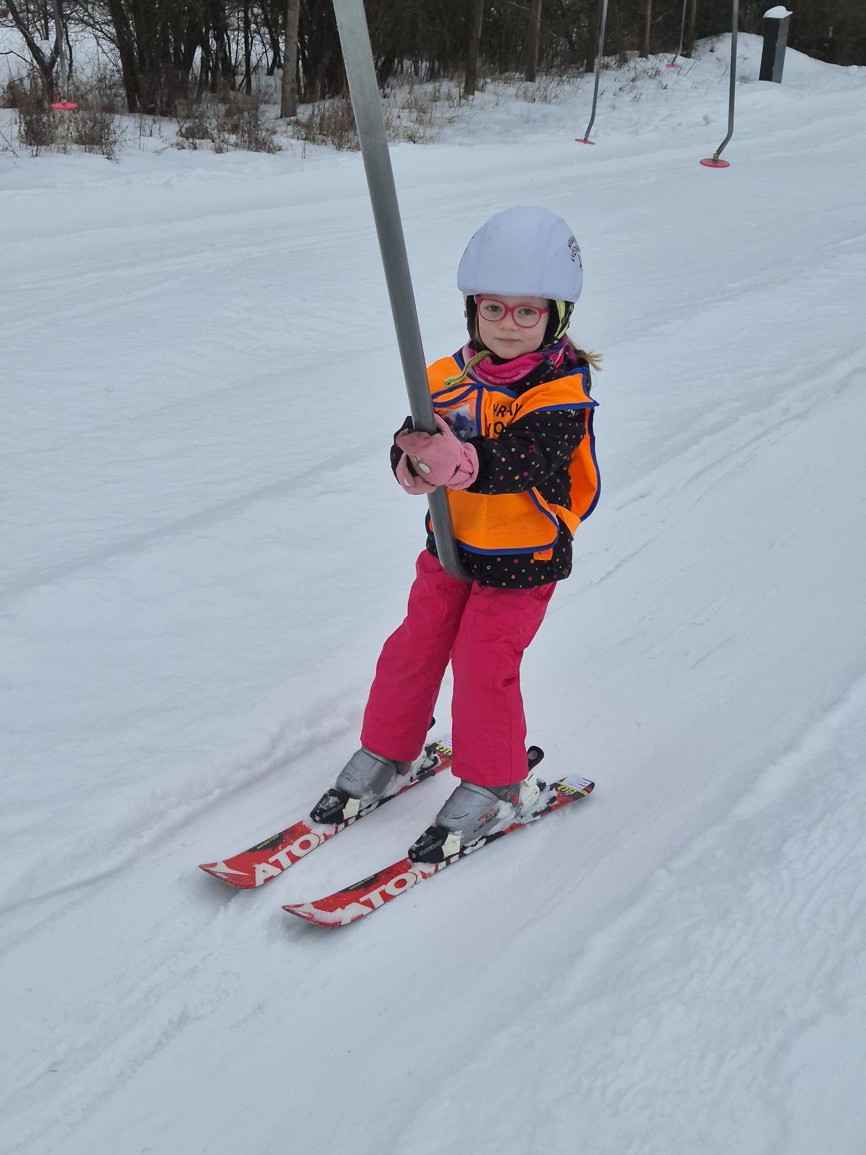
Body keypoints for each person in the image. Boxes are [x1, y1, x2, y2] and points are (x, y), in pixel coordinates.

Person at [311, 205, 600, 863]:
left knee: (482, 663)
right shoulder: (445, 376)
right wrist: (410, 462)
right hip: (448, 547)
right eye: (493, 308)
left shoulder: (561, 394)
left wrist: (462, 463)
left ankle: (497, 782)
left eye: (527, 312)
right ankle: (389, 748)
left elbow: (529, 459)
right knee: (413, 645)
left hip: (523, 559)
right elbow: (412, 438)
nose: (507, 323)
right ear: (473, 310)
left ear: (556, 317)